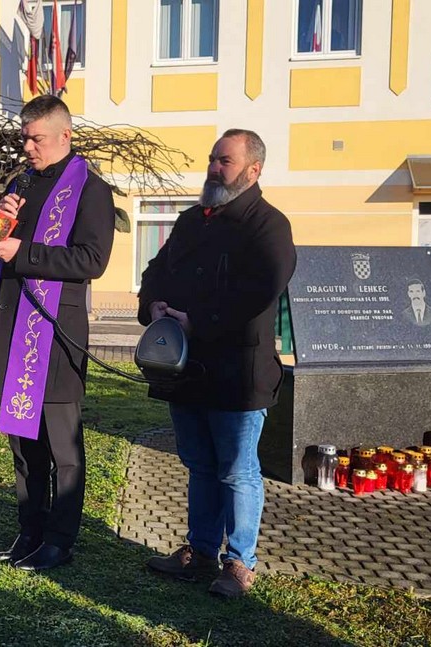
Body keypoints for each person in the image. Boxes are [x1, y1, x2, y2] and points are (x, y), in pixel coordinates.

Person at [137, 129, 296, 598]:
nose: (213, 168)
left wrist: (198, 321)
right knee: (199, 465)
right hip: (185, 373)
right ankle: (202, 551)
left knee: (236, 470)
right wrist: (156, 308)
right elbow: (154, 271)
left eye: (224, 161)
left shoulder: (269, 225)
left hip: (237, 376)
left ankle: (240, 564)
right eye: (211, 159)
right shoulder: (191, 222)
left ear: (253, 169)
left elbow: (259, 290)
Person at [0, 95, 115, 571]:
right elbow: (1, 245)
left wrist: (22, 250)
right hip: (16, 329)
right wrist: (0, 220)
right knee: (24, 447)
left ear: (65, 136)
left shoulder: (92, 190)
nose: (29, 146)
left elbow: (91, 261)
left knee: (64, 449)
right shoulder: (21, 183)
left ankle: (60, 541)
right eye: (25, 137)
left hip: (55, 337)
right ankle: (30, 530)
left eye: (37, 138)